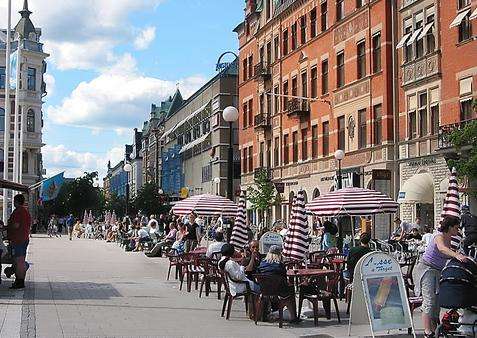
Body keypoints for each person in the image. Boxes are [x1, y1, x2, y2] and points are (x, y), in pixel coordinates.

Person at [414, 216, 468, 338]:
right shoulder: (439, 236)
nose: (458, 230)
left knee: (437, 302)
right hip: (427, 269)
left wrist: (461, 256)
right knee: (429, 301)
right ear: (449, 227)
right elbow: (442, 249)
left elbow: (445, 254)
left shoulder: (449, 237)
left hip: (438, 270)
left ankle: (434, 328)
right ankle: (427, 332)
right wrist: (456, 255)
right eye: (456, 227)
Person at [6, 194, 31, 289]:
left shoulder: (18, 212)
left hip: (18, 239)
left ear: (16, 201)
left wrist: (7, 227)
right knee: (20, 261)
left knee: (19, 261)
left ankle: (20, 282)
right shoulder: (25, 211)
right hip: (24, 238)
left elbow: (16, 225)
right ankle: (19, 280)